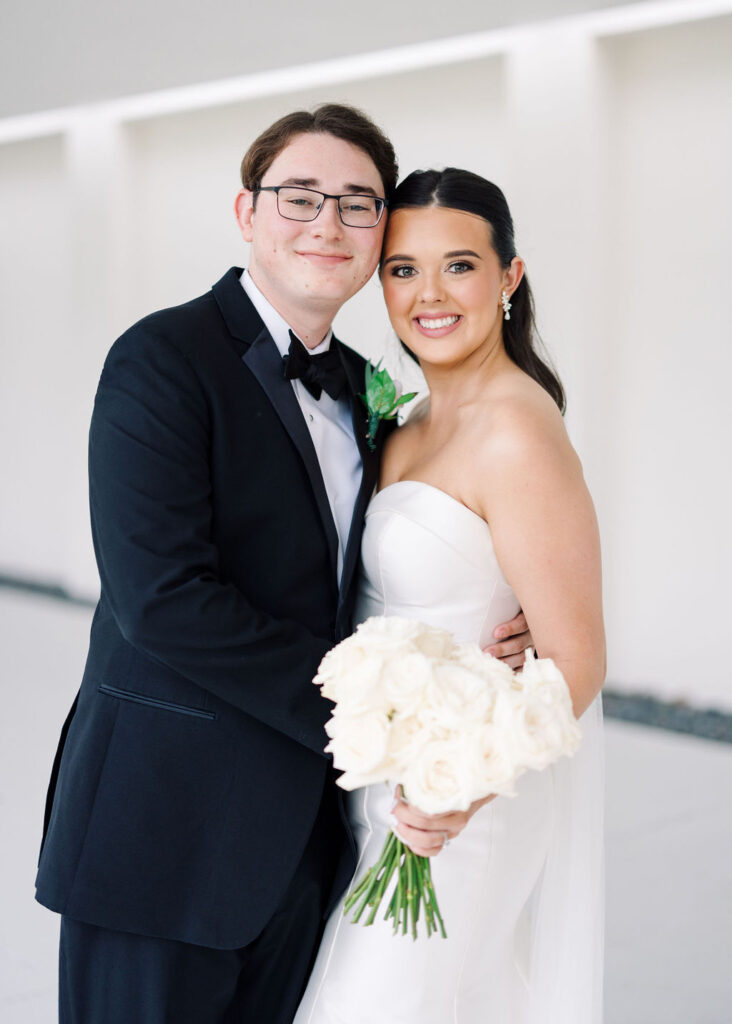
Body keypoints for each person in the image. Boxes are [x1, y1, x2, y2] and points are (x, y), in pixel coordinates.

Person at [34, 109, 533, 1023]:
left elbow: (385, 567)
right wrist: (385, 722)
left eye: (357, 205)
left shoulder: (366, 386)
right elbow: (164, 600)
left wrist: (502, 604)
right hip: (166, 837)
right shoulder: (162, 358)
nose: (327, 225)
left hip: (310, 847)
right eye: (299, 198)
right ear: (247, 212)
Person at [294, 168, 606, 1024]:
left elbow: (577, 658)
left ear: (508, 277)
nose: (428, 294)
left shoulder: (516, 428)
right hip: (378, 783)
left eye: (459, 265)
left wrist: (458, 790)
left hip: (462, 808)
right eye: (402, 269)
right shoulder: (405, 422)